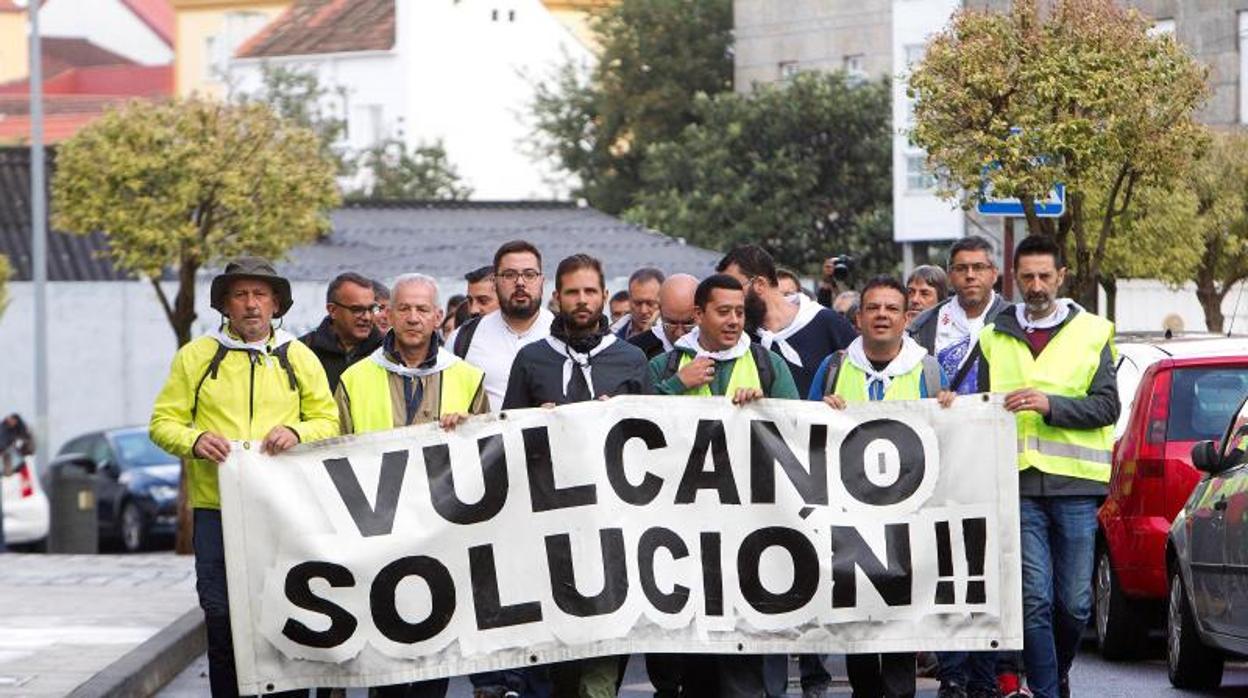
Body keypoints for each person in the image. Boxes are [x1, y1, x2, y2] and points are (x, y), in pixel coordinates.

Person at [150, 257, 339, 698]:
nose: (251, 304)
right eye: (241, 295)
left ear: (276, 304)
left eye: (260, 295)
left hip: (283, 512)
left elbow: (328, 422)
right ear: (226, 305)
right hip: (217, 512)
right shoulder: (196, 356)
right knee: (221, 617)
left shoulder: (299, 357)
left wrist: (297, 431)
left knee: (286, 618)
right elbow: (162, 423)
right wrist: (195, 440)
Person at [975, 236, 1118, 698]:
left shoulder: (1093, 331)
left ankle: (1053, 670)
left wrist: (1049, 405)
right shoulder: (993, 335)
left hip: (1076, 485)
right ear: (1015, 278)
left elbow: (1106, 407)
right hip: (1015, 484)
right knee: (1033, 599)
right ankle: (1046, 688)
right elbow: (979, 407)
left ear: (1061, 277)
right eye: (1027, 277)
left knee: (1075, 605)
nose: (1036, 286)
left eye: (1044, 276)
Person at [502, 254, 650, 697]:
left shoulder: (631, 358)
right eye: (572, 292)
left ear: (605, 296)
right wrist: (535, 424)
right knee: (558, 664)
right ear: (557, 297)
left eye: (590, 291)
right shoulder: (531, 360)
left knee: (602, 664)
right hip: (551, 533)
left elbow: (655, 446)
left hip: (614, 531)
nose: (582, 300)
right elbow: (506, 441)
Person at [648, 274, 799, 698]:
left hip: (750, 531)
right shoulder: (665, 365)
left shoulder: (768, 364)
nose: (734, 321)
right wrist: (680, 384)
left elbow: (798, 429)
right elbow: (635, 427)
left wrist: (765, 409)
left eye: (739, 312)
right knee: (695, 662)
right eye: (723, 311)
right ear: (699, 315)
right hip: (684, 534)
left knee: (746, 656)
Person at [335, 275, 486, 698]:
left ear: (438, 317)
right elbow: (332, 456)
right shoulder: (355, 379)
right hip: (379, 535)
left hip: (441, 536)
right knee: (385, 661)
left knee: (432, 657)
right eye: (405, 308)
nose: (414, 318)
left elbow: (486, 458)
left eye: (423, 309)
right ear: (388, 314)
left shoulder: (468, 378)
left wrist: (469, 430)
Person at [811, 276, 953, 698]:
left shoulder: (928, 369)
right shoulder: (833, 368)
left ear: (907, 317)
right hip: (848, 515)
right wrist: (820, 410)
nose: (882, 316)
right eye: (873, 308)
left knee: (899, 617)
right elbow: (802, 431)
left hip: (905, 518)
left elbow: (947, 440)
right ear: (858, 317)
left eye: (892, 308)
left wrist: (950, 409)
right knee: (857, 618)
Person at [908, 236, 1015, 698]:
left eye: (979, 267)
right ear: (949, 276)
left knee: (990, 571)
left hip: (998, 463)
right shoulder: (928, 326)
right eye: (961, 268)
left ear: (994, 274)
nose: (970, 275)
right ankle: (952, 672)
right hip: (941, 463)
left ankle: (986, 671)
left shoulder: (1013, 321)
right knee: (947, 570)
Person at [716, 244, 857, 403]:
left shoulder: (828, 323)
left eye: (733, 287)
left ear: (760, 284)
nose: (726, 297)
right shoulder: (737, 336)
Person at [449, 241, 555, 410]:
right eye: (509, 275)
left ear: (542, 281)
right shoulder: (463, 338)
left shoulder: (566, 334)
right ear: (495, 282)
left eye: (529, 274)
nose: (520, 282)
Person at [300, 272, 385, 392]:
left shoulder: (388, 352)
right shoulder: (303, 352)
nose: (367, 317)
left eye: (371, 309)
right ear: (332, 310)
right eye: (357, 309)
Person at [628, 273, 698, 360]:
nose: (679, 333)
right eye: (671, 323)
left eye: (688, 324)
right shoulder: (634, 352)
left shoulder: (716, 347)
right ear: (660, 311)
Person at [612, 267, 665, 339]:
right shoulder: (611, 337)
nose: (643, 311)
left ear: (663, 301)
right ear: (629, 301)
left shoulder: (676, 338)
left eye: (650, 303)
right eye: (638, 303)